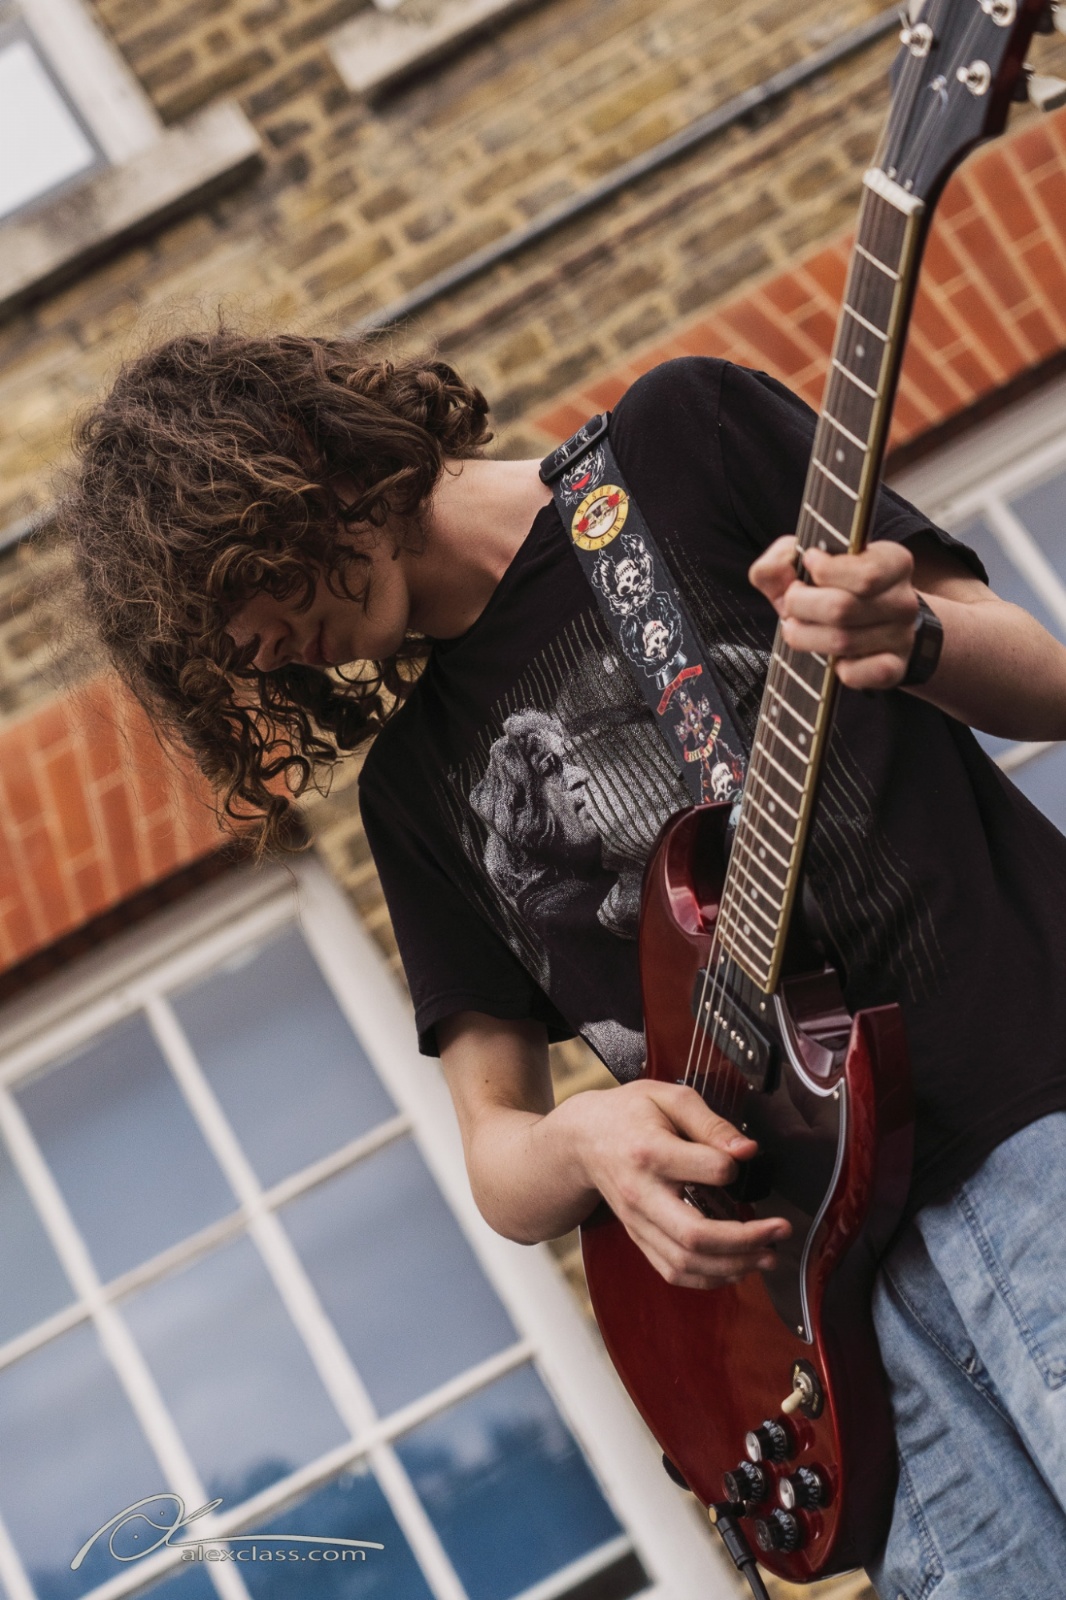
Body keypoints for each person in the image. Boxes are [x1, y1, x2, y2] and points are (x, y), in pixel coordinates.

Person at [62, 331, 1066, 1599]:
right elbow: (498, 1151)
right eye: (220, 650)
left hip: (1032, 1147)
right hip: (836, 1339)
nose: (255, 649)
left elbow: (1047, 682)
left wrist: (912, 637)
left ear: (297, 464)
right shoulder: (416, 792)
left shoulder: (683, 439)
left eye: (234, 588)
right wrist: (585, 1139)